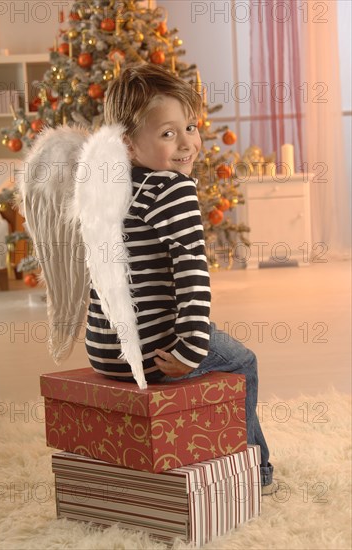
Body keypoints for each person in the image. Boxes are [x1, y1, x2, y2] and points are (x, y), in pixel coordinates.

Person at [83, 64, 277, 495]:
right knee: (242, 362)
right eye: (168, 134)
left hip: (105, 349)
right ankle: (257, 471)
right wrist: (190, 347)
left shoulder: (110, 188)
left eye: (190, 126)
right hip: (157, 350)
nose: (188, 143)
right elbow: (193, 273)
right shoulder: (174, 190)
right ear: (129, 143)